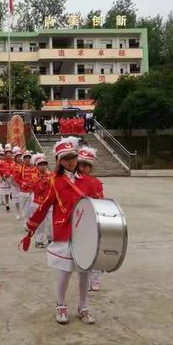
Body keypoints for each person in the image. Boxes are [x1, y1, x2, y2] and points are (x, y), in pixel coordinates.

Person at [21, 137, 99, 325]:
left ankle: (83, 306)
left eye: (72, 157)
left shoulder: (88, 181)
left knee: (84, 271)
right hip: (64, 230)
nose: (70, 161)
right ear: (59, 160)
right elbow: (44, 205)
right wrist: (30, 229)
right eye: (65, 158)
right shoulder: (54, 182)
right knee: (65, 271)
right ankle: (61, 305)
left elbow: (98, 204)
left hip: (85, 232)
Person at [77, 146, 104, 291]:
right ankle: (85, 280)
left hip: (93, 221)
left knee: (96, 250)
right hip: (78, 222)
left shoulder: (96, 182)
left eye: (86, 165)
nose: (83, 168)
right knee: (82, 252)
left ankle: (96, 279)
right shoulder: (72, 181)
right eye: (81, 165)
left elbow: (100, 202)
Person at [29, 153, 52, 248]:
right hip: (37, 203)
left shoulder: (50, 175)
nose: (43, 166)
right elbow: (36, 189)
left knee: (51, 222)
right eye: (41, 164)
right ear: (36, 165)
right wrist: (43, 183)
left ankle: (51, 239)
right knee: (40, 224)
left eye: (44, 164)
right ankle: (38, 241)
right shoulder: (33, 176)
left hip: (49, 203)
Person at [14, 150, 38, 224]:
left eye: (29, 158)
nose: (27, 159)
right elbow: (16, 178)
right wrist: (22, 183)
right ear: (23, 159)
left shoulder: (35, 168)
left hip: (32, 191)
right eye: (26, 158)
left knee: (32, 207)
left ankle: (31, 222)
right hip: (23, 192)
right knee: (24, 208)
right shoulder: (20, 168)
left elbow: (38, 178)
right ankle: (26, 223)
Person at [0, 143, 14, 212]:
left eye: (10, 153)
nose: (8, 154)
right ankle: (7, 205)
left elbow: (14, 171)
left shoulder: (13, 163)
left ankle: (11, 195)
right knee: (6, 193)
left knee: (11, 192)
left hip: (11, 180)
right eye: (7, 153)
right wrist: (3, 176)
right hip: (5, 180)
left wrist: (11, 176)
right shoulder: (2, 163)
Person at [11, 146, 23, 219]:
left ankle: (24, 212)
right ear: (15, 158)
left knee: (24, 200)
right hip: (15, 185)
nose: (19, 158)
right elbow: (11, 175)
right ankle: (18, 213)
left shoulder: (24, 165)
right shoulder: (13, 165)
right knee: (17, 200)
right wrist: (14, 183)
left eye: (20, 156)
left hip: (23, 185)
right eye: (17, 157)